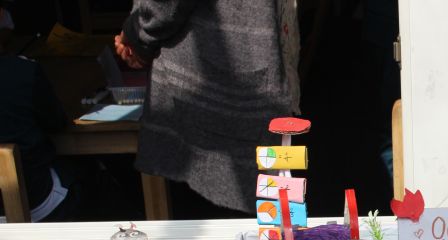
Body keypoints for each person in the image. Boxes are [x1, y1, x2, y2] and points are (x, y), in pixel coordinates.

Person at [116, 0, 301, 214]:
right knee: (268, 209)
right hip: (243, 75)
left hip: (215, 92)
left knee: (227, 214)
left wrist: (136, 32)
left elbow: (165, 7)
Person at [0, 5, 82, 221]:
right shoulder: (23, 72)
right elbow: (56, 123)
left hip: (27, 197)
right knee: (83, 171)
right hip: (36, 201)